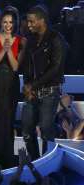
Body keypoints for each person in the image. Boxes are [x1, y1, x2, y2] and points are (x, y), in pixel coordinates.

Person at [21, 5, 67, 160]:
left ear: (42, 20)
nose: (29, 25)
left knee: (46, 130)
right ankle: (35, 162)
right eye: (28, 21)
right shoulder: (31, 40)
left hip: (49, 91)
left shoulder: (56, 39)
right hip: (31, 92)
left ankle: (47, 164)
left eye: (32, 21)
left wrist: (33, 85)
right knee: (27, 130)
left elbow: (56, 68)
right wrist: (27, 85)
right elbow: (27, 66)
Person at [0, 6, 26, 168]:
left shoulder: (22, 41)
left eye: (11, 22)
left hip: (11, 84)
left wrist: (9, 50)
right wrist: (4, 49)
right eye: (5, 21)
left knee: (7, 122)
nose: (8, 25)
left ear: (15, 23)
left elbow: (16, 67)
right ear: (1, 22)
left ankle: (6, 162)